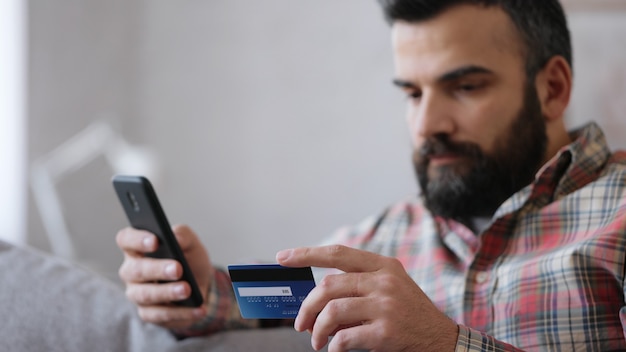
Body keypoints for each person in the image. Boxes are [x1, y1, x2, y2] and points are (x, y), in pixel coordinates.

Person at [116, 0, 626, 351]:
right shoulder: (387, 237)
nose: (427, 125)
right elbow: (271, 297)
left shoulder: (618, 218)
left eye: (466, 87)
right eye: (412, 94)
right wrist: (192, 289)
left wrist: (444, 344)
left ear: (553, 89)